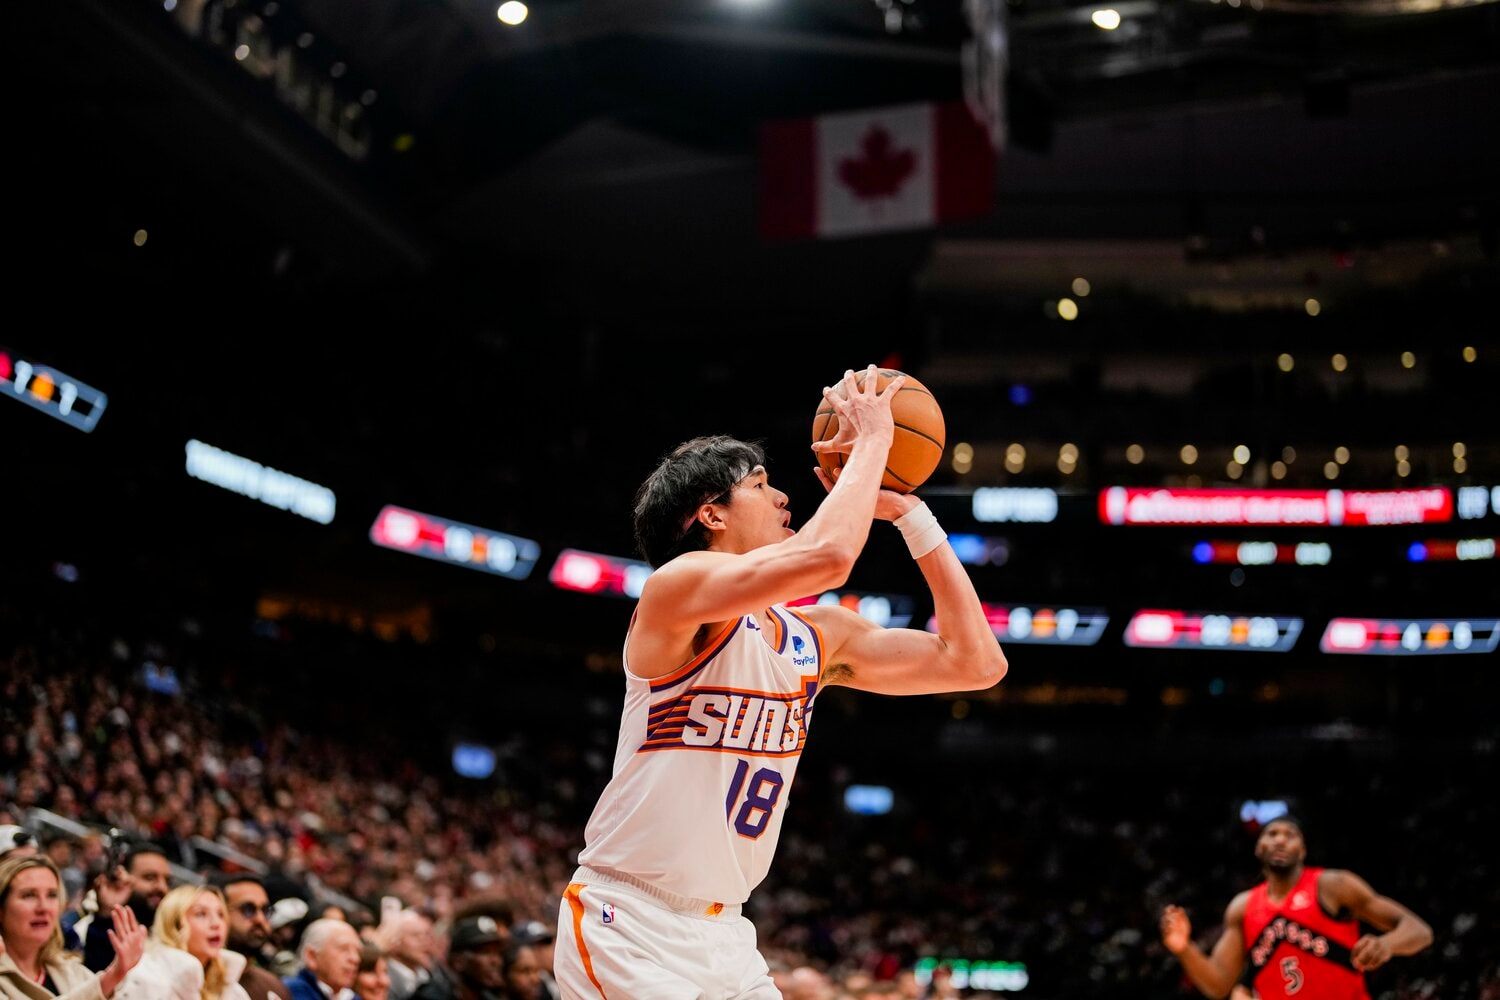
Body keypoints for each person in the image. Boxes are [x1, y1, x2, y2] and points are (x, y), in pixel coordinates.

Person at [555, 367, 1008, 999]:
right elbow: (828, 557)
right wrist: (874, 442)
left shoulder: (814, 638)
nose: (783, 497)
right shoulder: (675, 591)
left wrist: (911, 514)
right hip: (628, 922)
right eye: (761, 485)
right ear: (709, 513)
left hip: (726, 935)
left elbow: (975, 662)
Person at [1160, 815, 1433, 999]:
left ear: (1303, 849)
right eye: (1273, 833)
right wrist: (1185, 949)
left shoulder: (1332, 885)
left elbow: (1419, 930)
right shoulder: (1242, 907)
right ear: (1259, 847)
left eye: (1290, 834)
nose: (1280, 839)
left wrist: (1387, 944)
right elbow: (1219, 984)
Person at [0, 855, 147, 1000]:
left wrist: (108, 912)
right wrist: (112, 976)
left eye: (52, 895)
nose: (43, 907)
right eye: (29, 895)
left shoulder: (71, 971)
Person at [114, 884, 251, 1000]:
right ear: (176, 924)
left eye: (221, 914)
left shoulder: (233, 992)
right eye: (201, 914)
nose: (216, 924)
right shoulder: (146, 977)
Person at [219, 876, 291, 1000]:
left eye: (265, 910)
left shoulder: (275, 988)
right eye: (248, 909)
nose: (260, 919)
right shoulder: (196, 974)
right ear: (221, 913)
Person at [283, 919, 363, 1000]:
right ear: (312, 956)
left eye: (358, 952)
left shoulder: (352, 997)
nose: (355, 959)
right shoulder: (287, 993)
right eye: (343, 949)